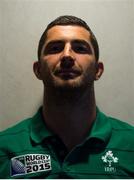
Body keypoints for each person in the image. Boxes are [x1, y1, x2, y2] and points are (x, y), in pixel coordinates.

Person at [0, 15, 134, 179]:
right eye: (55, 48)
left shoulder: (131, 145)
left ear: (97, 70)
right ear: (38, 70)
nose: (67, 55)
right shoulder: (4, 147)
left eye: (80, 48)